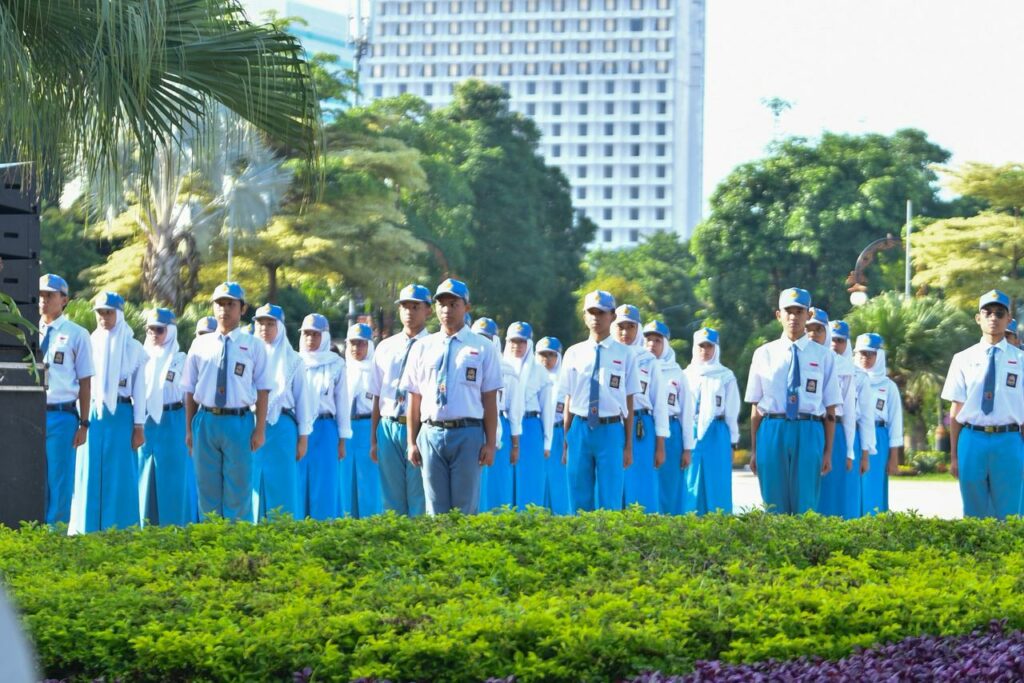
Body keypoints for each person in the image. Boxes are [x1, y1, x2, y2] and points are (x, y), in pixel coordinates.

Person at [401, 278, 502, 514]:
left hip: (467, 433)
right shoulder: (422, 347)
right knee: (435, 509)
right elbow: (414, 398)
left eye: (453, 304)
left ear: (467, 307)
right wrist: (411, 442)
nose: (446, 310)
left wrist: (490, 443)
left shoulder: (482, 347)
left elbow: (489, 399)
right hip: (431, 432)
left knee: (465, 509)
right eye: (442, 304)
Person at [745, 288, 840, 514]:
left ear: (808, 315)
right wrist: (755, 450)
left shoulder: (824, 356)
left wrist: (828, 451)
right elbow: (755, 408)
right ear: (779, 315)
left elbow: (830, 408)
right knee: (773, 503)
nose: (793, 317)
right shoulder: (764, 353)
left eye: (799, 312)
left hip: (809, 429)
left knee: (806, 503)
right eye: (788, 311)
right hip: (772, 427)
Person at [182, 282, 271, 522]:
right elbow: (189, 389)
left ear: (243, 309)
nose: (224, 310)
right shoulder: (200, 344)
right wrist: (189, 429)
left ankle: (236, 539)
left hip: (239, 421)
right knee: (206, 488)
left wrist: (260, 429)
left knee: (238, 489)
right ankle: (210, 538)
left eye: (231, 304)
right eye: (220, 304)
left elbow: (263, 389)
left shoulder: (253, 345)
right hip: (206, 420)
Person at [942, 290, 1024, 519]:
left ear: (1008, 319)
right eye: (987, 313)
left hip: (1009, 439)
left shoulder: (1020, 360)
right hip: (972, 438)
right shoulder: (962, 359)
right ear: (978, 318)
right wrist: (954, 456)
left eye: (1000, 313)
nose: (993, 318)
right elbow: (956, 410)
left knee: (1009, 511)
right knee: (973, 509)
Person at [69, 292, 146, 533]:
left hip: (121, 414)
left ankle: (121, 531)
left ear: (119, 314)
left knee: (119, 474)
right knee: (90, 470)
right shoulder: (89, 343)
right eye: (100, 312)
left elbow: (140, 390)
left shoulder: (133, 348)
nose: (104, 317)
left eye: (109, 312)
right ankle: (87, 529)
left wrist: (139, 426)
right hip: (93, 414)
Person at [558, 290, 641, 512]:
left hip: (611, 428)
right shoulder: (574, 353)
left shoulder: (626, 354)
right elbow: (569, 399)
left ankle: (608, 535)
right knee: (578, 496)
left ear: (612, 316)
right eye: (592, 312)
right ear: (584, 316)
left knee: (610, 498)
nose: (596, 317)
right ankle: (580, 536)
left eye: (601, 313)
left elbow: (629, 402)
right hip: (580, 427)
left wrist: (628, 445)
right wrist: (567, 440)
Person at [369, 284, 431, 516]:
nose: (409, 312)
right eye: (405, 306)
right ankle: (395, 537)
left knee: (418, 495)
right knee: (391, 497)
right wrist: (374, 439)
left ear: (428, 310)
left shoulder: (434, 346)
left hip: (419, 425)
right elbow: (378, 394)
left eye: (415, 307)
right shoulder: (385, 347)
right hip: (389, 425)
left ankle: (418, 537)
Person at [38, 274, 94, 525]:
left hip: (61, 415)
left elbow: (85, 381)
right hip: (30, 412)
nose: (44, 300)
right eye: (41, 295)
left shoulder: (76, 334)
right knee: (33, 477)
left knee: (59, 480)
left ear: (64, 300)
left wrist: (84, 423)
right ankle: (33, 532)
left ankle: (56, 535)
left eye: (50, 295)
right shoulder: (27, 330)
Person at [137, 307, 197, 526]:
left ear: (170, 331)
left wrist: (189, 429)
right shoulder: (141, 358)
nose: (154, 334)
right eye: (151, 329)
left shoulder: (181, 360)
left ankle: (175, 529)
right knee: (146, 476)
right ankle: (146, 528)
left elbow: (189, 396)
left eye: (160, 329)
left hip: (173, 420)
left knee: (173, 478)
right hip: (146, 422)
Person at [251, 304, 311, 521]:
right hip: (251, 427)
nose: (264, 328)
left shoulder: (293, 360)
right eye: (260, 323)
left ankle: (284, 532)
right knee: (253, 481)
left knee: (283, 484)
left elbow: (303, 401)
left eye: (270, 324)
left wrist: (303, 439)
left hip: (283, 429)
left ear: (280, 327)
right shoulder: (248, 355)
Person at [613, 304, 668, 512]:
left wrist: (660, 445)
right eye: (621, 326)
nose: (625, 332)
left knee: (641, 483)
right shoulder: (607, 355)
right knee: (613, 482)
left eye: (631, 327)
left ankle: (643, 528)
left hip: (641, 427)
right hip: (612, 424)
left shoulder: (648, 360)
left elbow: (659, 404)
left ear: (638, 329)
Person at [818, 319, 875, 519]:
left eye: (840, 340)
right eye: (832, 339)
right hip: (816, 428)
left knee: (842, 493)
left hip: (842, 434)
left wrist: (864, 454)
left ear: (847, 343)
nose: (835, 344)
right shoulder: (814, 364)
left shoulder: (858, 375)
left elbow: (865, 418)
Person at [298, 313, 350, 519]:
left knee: (325, 483)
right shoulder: (295, 362)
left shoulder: (336, 364)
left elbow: (342, 403)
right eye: (307, 334)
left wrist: (342, 440)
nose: (310, 339)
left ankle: (325, 529)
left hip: (326, 428)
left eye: (315, 334)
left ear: (325, 337)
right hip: (300, 429)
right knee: (299, 480)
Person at [682, 326, 738, 515]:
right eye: (701, 346)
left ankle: (719, 524)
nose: (705, 350)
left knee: (717, 481)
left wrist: (733, 442)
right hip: (691, 431)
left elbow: (732, 411)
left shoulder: (725, 376)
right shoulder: (686, 375)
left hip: (717, 432)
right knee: (690, 479)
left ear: (716, 348)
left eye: (709, 346)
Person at [642, 321, 695, 515]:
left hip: (672, 434)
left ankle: (672, 526)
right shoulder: (638, 366)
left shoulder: (677, 373)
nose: (652, 344)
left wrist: (687, 449)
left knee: (670, 485)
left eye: (657, 340)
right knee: (646, 482)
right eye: (648, 339)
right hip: (645, 428)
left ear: (666, 344)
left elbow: (686, 413)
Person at [473, 316, 521, 511]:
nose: (483, 342)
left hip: (497, 428)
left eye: (487, 338)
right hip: (470, 425)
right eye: (479, 337)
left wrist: (515, 444)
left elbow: (514, 410)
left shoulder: (507, 370)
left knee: (498, 487)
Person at [504, 322, 553, 510]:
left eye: (521, 342)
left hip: (531, 426)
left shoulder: (539, 371)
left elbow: (547, 409)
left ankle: (529, 520)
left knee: (530, 477)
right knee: (506, 477)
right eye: (513, 341)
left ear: (529, 344)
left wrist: (547, 442)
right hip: (506, 425)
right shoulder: (502, 367)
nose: (517, 346)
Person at [853, 332, 903, 516]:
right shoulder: (849, 379)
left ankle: (872, 525)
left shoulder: (888, 386)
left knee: (872, 486)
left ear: (879, 355)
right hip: (854, 434)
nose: (865, 358)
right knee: (852, 486)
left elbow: (895, 422)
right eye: (861, 353)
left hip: (878, 437)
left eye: (870, 354)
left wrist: (894, 457)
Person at [346, 322, 382, 518]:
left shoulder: (376, 371)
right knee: (346, 478)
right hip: (346, 428)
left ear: (369, 345)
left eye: (361, 344)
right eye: (352, 343)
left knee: (369, 480)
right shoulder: (343, 370)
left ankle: (371, 520)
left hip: (368, 427)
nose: (356, 348)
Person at [536, 336, 571, 515]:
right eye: (543, 354)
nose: (547, 359)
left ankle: (562, 516)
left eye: (551, 355)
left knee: (559, 478)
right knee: (538, 477)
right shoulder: (531, 378)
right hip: (537, 431)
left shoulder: (564, 379)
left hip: (559, 432)